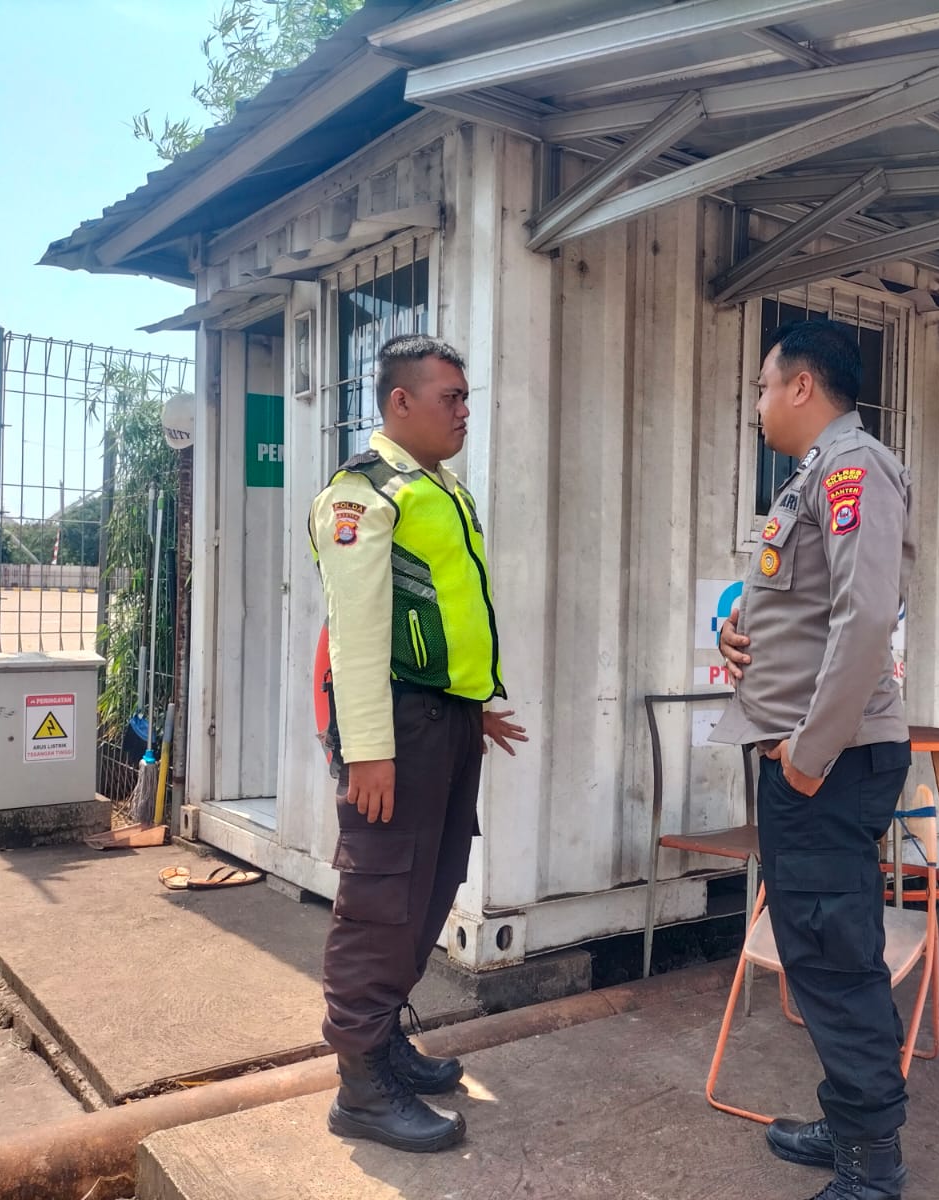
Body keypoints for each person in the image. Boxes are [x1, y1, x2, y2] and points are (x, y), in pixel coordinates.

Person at [712, 319, 916, 1200]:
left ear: (801, 386)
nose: (757, 404)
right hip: (810, 757)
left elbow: (866, 619)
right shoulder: (813, 478)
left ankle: (872, 1162)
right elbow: (808, 606)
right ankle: (850, 1119)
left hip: (829, 762)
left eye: (763, 386)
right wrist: (738, 633)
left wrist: (807, 754)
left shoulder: (853, 468)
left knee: (833, 955)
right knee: (819, 949)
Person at [309, 333, 527, 1153]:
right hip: (394, 730)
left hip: (446, 722)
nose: (465, 412)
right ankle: (361, 1087)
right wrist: (368, 750)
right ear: (400, 402)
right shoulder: (362, 496)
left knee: (431, 885)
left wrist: (476, 707)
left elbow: (445, 615)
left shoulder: (442, 490)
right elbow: (358, 635)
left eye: (466, 397)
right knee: (380, 898)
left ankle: (385, 1042)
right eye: (451, 398)